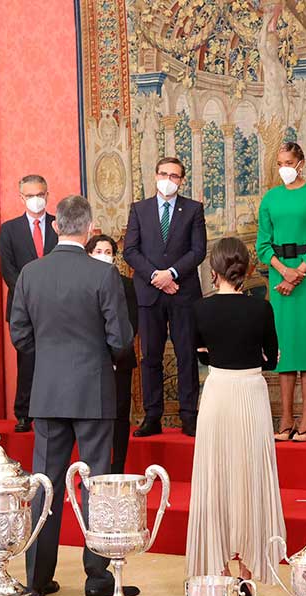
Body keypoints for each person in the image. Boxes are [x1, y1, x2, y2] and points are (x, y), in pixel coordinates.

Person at [10, 195, 132, 596]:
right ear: (90, 227)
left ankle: (37, 577)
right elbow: (121, 338)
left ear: (56, 226)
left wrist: (49, 358)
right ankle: (97, 577)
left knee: (43, 484)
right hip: (94, 389)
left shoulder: (30, 273)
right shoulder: (102, 274)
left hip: (47, 390)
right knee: (95, 483)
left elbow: (20, 335)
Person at [186, 237, 286, 596]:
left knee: (217, 476)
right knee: (251, 476)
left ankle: (222, 570)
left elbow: (198, 355)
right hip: (250, 393)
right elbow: (273, 360)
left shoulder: (200, 309)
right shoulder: (261, 309)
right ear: (244, 269)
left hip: (218, 393)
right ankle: (247, 573)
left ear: (213, 271)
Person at [123, 157, 207, 438]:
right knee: (150, 357)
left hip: (183, 293)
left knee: (186, 354)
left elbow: (198, 251)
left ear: (182, 180)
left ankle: (188, 415)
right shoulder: (139, 209)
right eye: (163, 174)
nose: (168, 180)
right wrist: (156, 277)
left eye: (174, 175)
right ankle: (152, 415)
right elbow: (130, 250)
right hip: (149, 293)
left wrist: (171, 274)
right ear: (155, 175)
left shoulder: (193, 209)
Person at [256, 142, 306, 442]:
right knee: (283, 349)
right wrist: (283, 271)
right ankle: (285, 417)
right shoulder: (270, 199)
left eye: (288, 162)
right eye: (279, 163)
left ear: (301, 162)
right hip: (278, 277)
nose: (283, 168)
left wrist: (298, 271)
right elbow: (262, 243)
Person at [0, 174, 58, 433]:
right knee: (27, 361)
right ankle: (24, 413)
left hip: (58, 306)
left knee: (57, 359)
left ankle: (55, 409)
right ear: (21, 197)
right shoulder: (9, 229)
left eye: (41, 194)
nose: (36, 200)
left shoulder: (59, 226)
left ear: (47, 195)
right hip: (23, 307)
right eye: (31, 195)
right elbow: (8, 269)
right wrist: (30, 296)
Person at [87, 235, 139, 473]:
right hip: (90, 359)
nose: (104, 255)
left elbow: (131, 324)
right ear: (89, 254)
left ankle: (117, 468)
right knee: (92, 416)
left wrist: (115, 351)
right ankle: (94, 470)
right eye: (99, 250)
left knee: (119, 416)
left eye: (108, 251)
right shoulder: (83, 282)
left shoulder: (127, 284)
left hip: (120, 358)